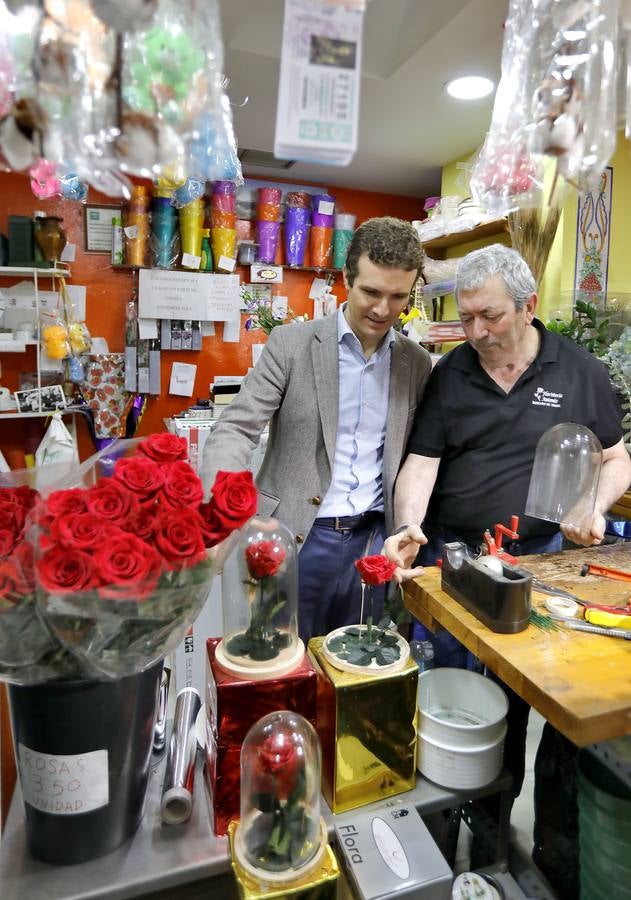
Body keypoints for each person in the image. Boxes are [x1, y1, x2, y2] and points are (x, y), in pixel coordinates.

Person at [384, 243, 631, 897]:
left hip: (548, 571)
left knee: (545, 719)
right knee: (456, 716)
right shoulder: (451, 374)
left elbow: (614, 458)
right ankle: (442, 852)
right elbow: (422, 464)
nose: (473, 332)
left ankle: (535, 856)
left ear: (527, 307)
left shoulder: (579, 372)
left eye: (487, 316)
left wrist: (592, 504)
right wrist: (406, 522)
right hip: (457, 567)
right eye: (463, 318)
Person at [201, 216, 432, 643]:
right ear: (346, 278)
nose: (383, 309)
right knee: (281, 661)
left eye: (398, 296)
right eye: (371, 292)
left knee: (354, 665)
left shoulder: (416, 363)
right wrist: (223, 508)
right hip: (295, 535)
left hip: (372, 541)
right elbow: (235, 427)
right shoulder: (292, 345)